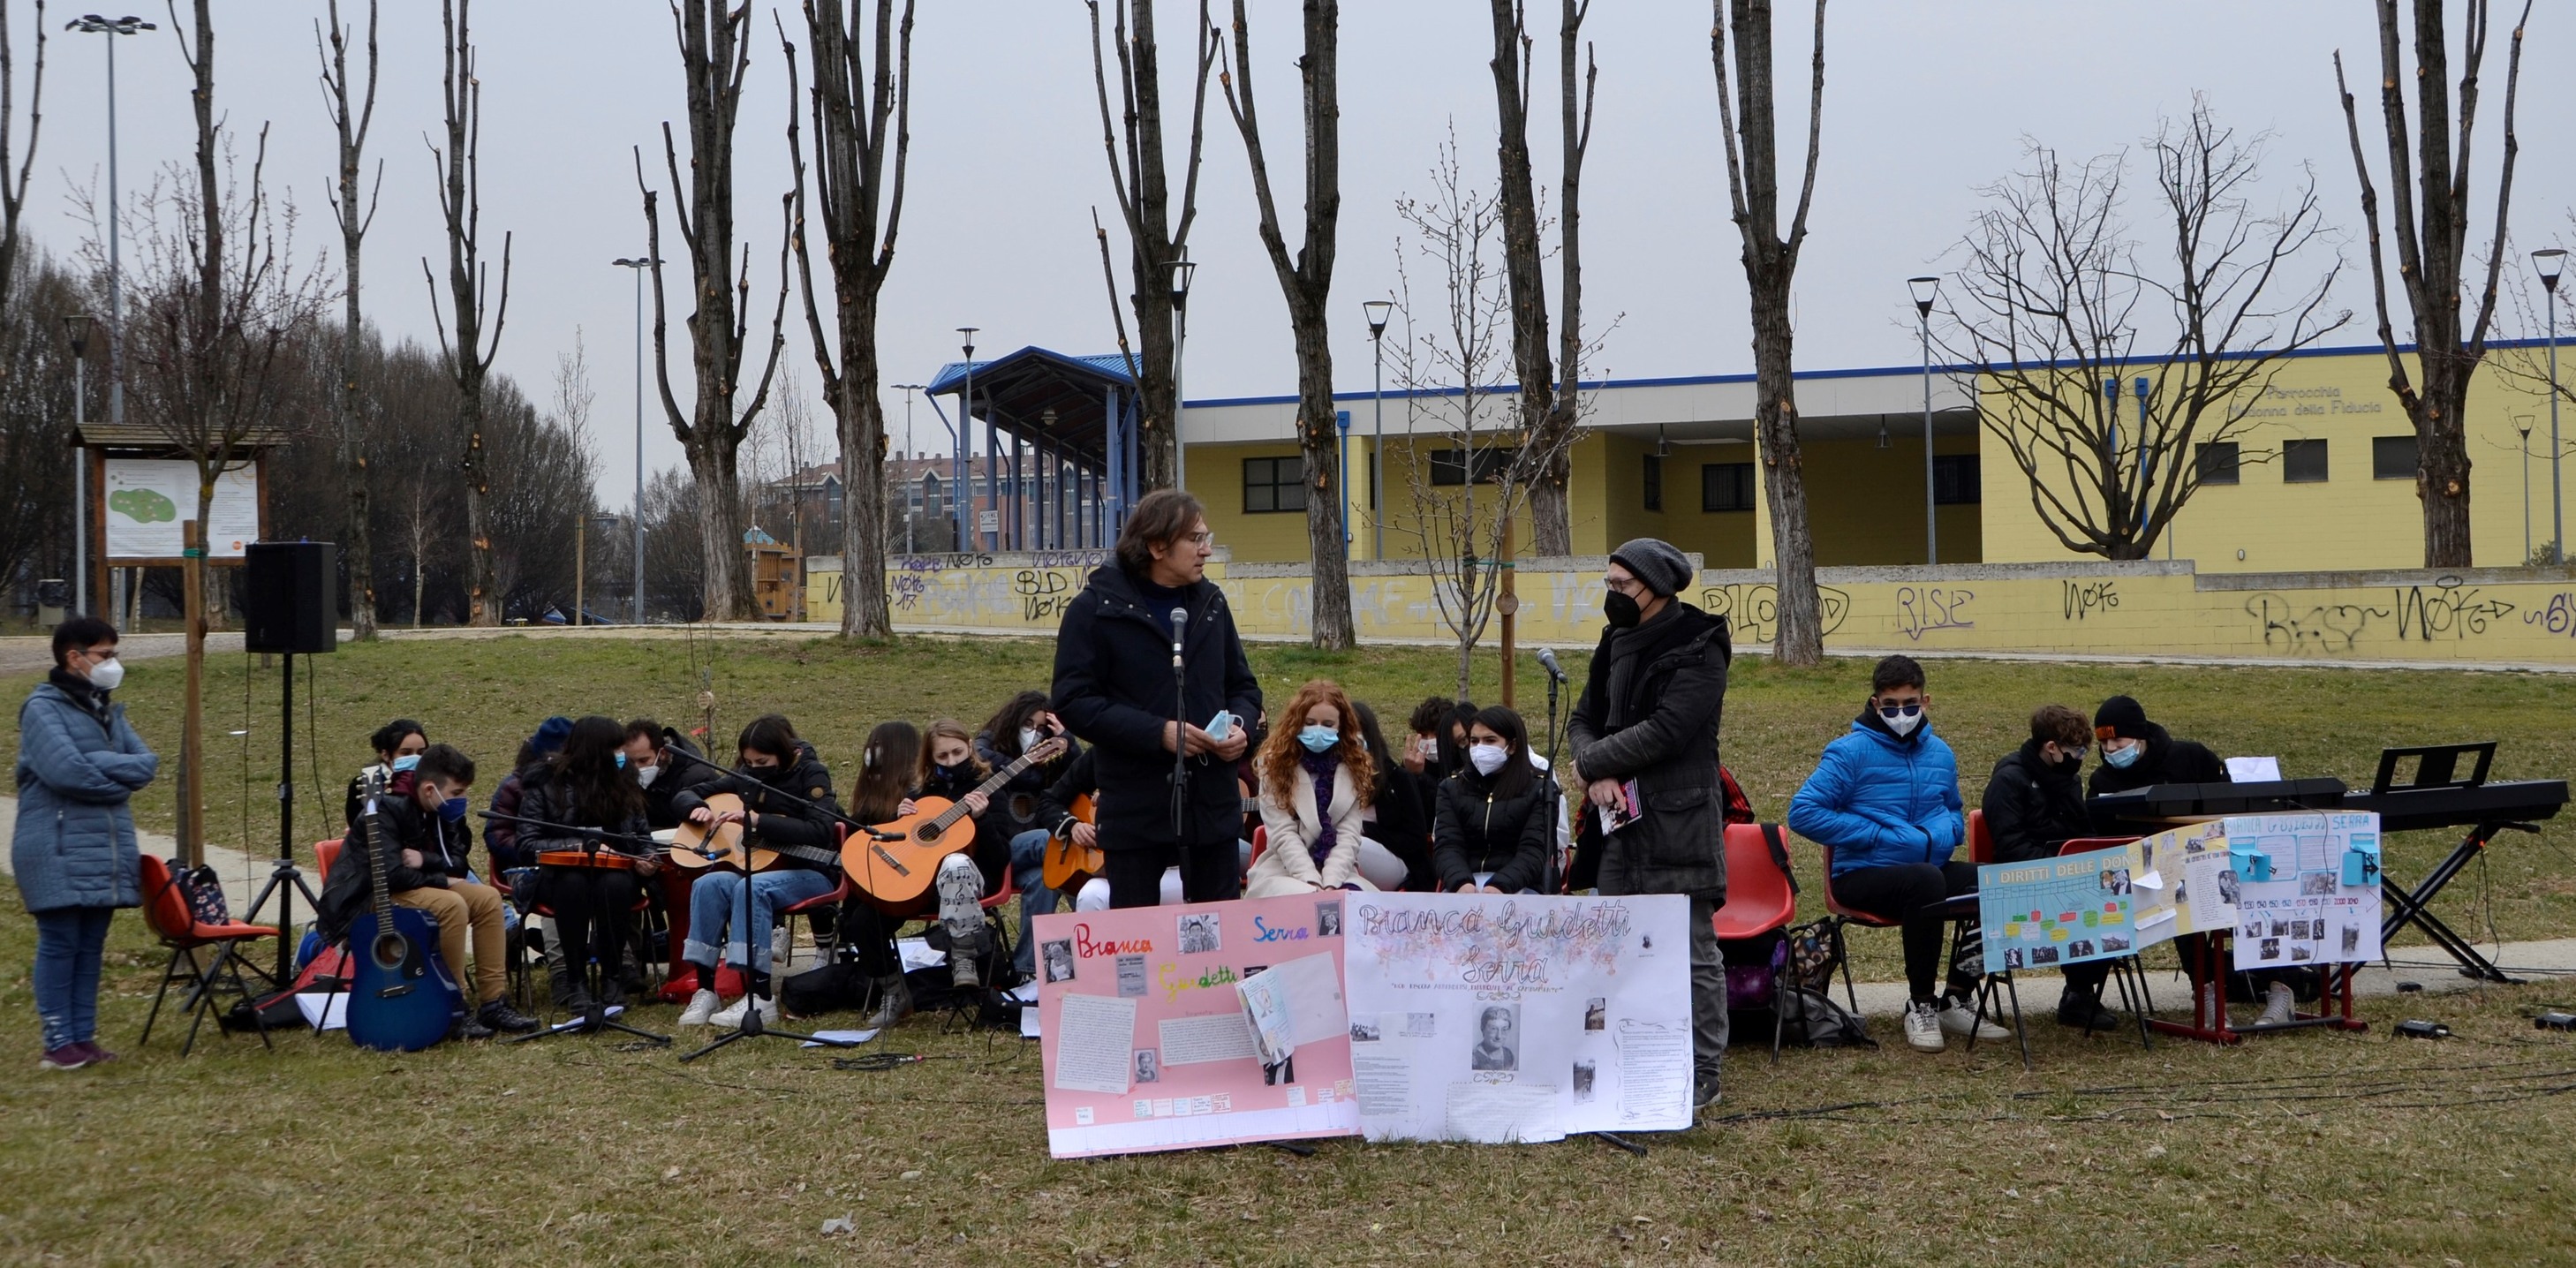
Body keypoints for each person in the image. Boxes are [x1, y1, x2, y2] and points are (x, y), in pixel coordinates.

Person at [1566, 539, 1732, 1110]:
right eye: (1607, 584)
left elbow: (1668, 730)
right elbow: (1583, 717)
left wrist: (1593, 762)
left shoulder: (1700, 645)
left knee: (1691, 950)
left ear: (1657, 588)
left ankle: (1703, 1067)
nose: (1611, 595)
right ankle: (1623, 1055)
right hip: (1618, 824)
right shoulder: (1613, 642)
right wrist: (1595, 776)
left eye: (1620, 586)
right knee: (1615, 946)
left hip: (1679, 823)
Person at [1050, 488, 1260, 908]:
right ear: (1157, 545)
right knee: (1138, 947)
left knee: (1216, 938)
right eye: (1196, 539)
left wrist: (1240, 727)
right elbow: (1073, 701)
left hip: (1211, 807)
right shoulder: (1094, 611)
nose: (1207, 550)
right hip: (1136, 808)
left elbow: (1243, 686)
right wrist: (1157, 732)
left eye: (1207, 537)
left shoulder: (1212, 605)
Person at [1789, 654, 1999, 1054]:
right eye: (1891, 706)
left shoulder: (1940, 753)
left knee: (1991, 882)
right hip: (1862, 874)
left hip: (1927, 868)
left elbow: (1953, 809)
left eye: (1910, 704)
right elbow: (1803, 812)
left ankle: (1957, 995)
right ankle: (1919, 1004)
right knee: (1926, 880)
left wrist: (1947, 831)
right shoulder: (1849, 752)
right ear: (1875, 704)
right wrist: (1875, 835)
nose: (1901, 713)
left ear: (1926, 701)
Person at [2084, 695, 2283, 1025]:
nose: (2111, 749)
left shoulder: (2189, 757)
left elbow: (2231, 799)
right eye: (2103, 742)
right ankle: (2205, 991)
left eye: (2118, 740)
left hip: (2220, 859)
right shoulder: (2102, 782)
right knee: (2180, 899)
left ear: (2140, 737)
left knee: (2257, 894)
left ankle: (2281, 985)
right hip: (2156, 875)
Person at [323, 743, 541, 1039]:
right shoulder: (386, 810)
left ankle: (494, 1000)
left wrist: (426, 861)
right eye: (457, 793)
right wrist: (440, 878)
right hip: (370, 898)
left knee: (488, 898)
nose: (461, 800)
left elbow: (459, 864)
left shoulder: (442, 811)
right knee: (452, 904)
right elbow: (391, 875)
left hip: (417, 884)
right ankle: (452, 1004)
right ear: (429, 789)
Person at [15, 617, 157, 1069]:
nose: (113, 664)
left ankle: (83, 1036)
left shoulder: (108, 708)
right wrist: (114, 778)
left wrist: (97, 760)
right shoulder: (41, 708)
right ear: (73, 657)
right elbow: (65, 772)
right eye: (105, 655)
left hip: (103, 847)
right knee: (60, 941)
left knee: (91, 943)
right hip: (54, 845)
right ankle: (58, 1042)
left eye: (115, 654)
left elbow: (146, 764)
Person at [670, 715, 844, 1030]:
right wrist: (695, 808)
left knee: (752, 888)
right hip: (760, 868)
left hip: (813, 871)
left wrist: (758, 822)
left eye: (762, 761)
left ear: (783, 753)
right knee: (709, 883)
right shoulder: (747, 775)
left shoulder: (812, 773)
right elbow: (688, 792)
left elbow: (821, 829)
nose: (753, 767)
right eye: (748, 761)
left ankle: (760, 998)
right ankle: (706, 989)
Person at [1983, 704, 2117, 1029]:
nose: (2082, 757)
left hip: (2063, 872)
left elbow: (2083, 833)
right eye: (2076, 750)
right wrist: (2058, 870)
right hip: (2022, 876)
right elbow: (2011, 846)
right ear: (2052, 748)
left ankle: (2080, 992)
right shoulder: (2009, 780)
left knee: (2114, 895)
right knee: (2090, 899)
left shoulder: (2067, 779)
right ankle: (2079, 992)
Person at [518, 715, 656, 1015]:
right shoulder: (545, 782)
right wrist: (577, 847)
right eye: (616, 749)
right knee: (574, 885)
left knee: (615, 886)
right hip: (560, 875)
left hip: (616, 872)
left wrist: (647, 858)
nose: (623, 756)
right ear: (595, 752)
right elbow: (527, 844)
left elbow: (643, 836)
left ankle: (613, 978)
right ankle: (576, 980)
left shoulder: (626, 780)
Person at [896, 719, 1016, 990]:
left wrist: (982, 819)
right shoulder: (920, 793)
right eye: (942, 755)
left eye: (957, 752)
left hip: (976, 881)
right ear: (930, 758)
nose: (950, 761)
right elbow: (908, 849)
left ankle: (964, 957)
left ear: (970, 747)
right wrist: (900, 820)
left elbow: (1001, 857)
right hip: (924, 884)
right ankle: (890, 986)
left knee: (956, 862)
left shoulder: (989, 786)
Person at [975, 691, 1084, 979]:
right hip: (999, 851)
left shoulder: (1053, 757)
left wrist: (1068, 741)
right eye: (1028, 725)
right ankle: (1090, 915)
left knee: (1043, 878)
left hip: (1031, 860)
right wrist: (1025, 768)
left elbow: (1084, 773)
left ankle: (1027, 970)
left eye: (1041, 729)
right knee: (1055, 843)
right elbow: (977, 752)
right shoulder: (989, 742)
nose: (1034, 734)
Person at [1245, 680, 1379, 898]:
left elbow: (1349, 836)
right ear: (1297, 723)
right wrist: (1312, 881)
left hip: (1339, 872)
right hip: (1283, 869)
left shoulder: (1355, 765)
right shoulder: (1273, 764)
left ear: (1341, 726)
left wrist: (1331, 884)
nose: (1318, 729)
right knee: (1305, 897)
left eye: (1328, 724)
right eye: (1309, 722)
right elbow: (1282, 833)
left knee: (1356, 900)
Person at [1432, 706, 1553, 894]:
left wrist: (1500, 886)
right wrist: (1460, 883)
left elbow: (1534, 850)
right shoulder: (1451, 788)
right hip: (1464, 888)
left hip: (1520, 887)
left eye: (1490, 740)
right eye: (1474, 741)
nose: (1480, 748)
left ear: (1512, 746)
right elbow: (1447, 845)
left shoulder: (1540, 789)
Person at [1351, 702, 1432, 891]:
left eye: (1353, 729)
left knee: (1350, 844)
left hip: (1397, 863)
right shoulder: (1324, 779)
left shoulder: (1396, 778)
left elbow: (1415, 840)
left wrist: (1363, 829)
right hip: (1338, 864)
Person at [483, 716, 573, 874]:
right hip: (524, 867)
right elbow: (499, 837)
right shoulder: (513, 787)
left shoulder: (577, 786)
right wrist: (543, 853)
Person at [620, 717, 706, 831]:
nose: (636, 768)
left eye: (643, 760)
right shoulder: (623, 778)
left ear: (663, 754)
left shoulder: (696, 778)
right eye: (630, 761)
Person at [344, 718, 427, 826]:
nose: (415, 758)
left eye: (420, 753)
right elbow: (359, 832)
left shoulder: (431, 782)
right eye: (406, 753)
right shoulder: (363, 785)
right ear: (386, 755)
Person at [1470, 1006, 1516, 1071]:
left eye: (1504, 1029)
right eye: (1493, 1029)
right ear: (1482, 1029)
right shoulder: (1474, 1059)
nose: (1499, 1036)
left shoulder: (1508, 1055)